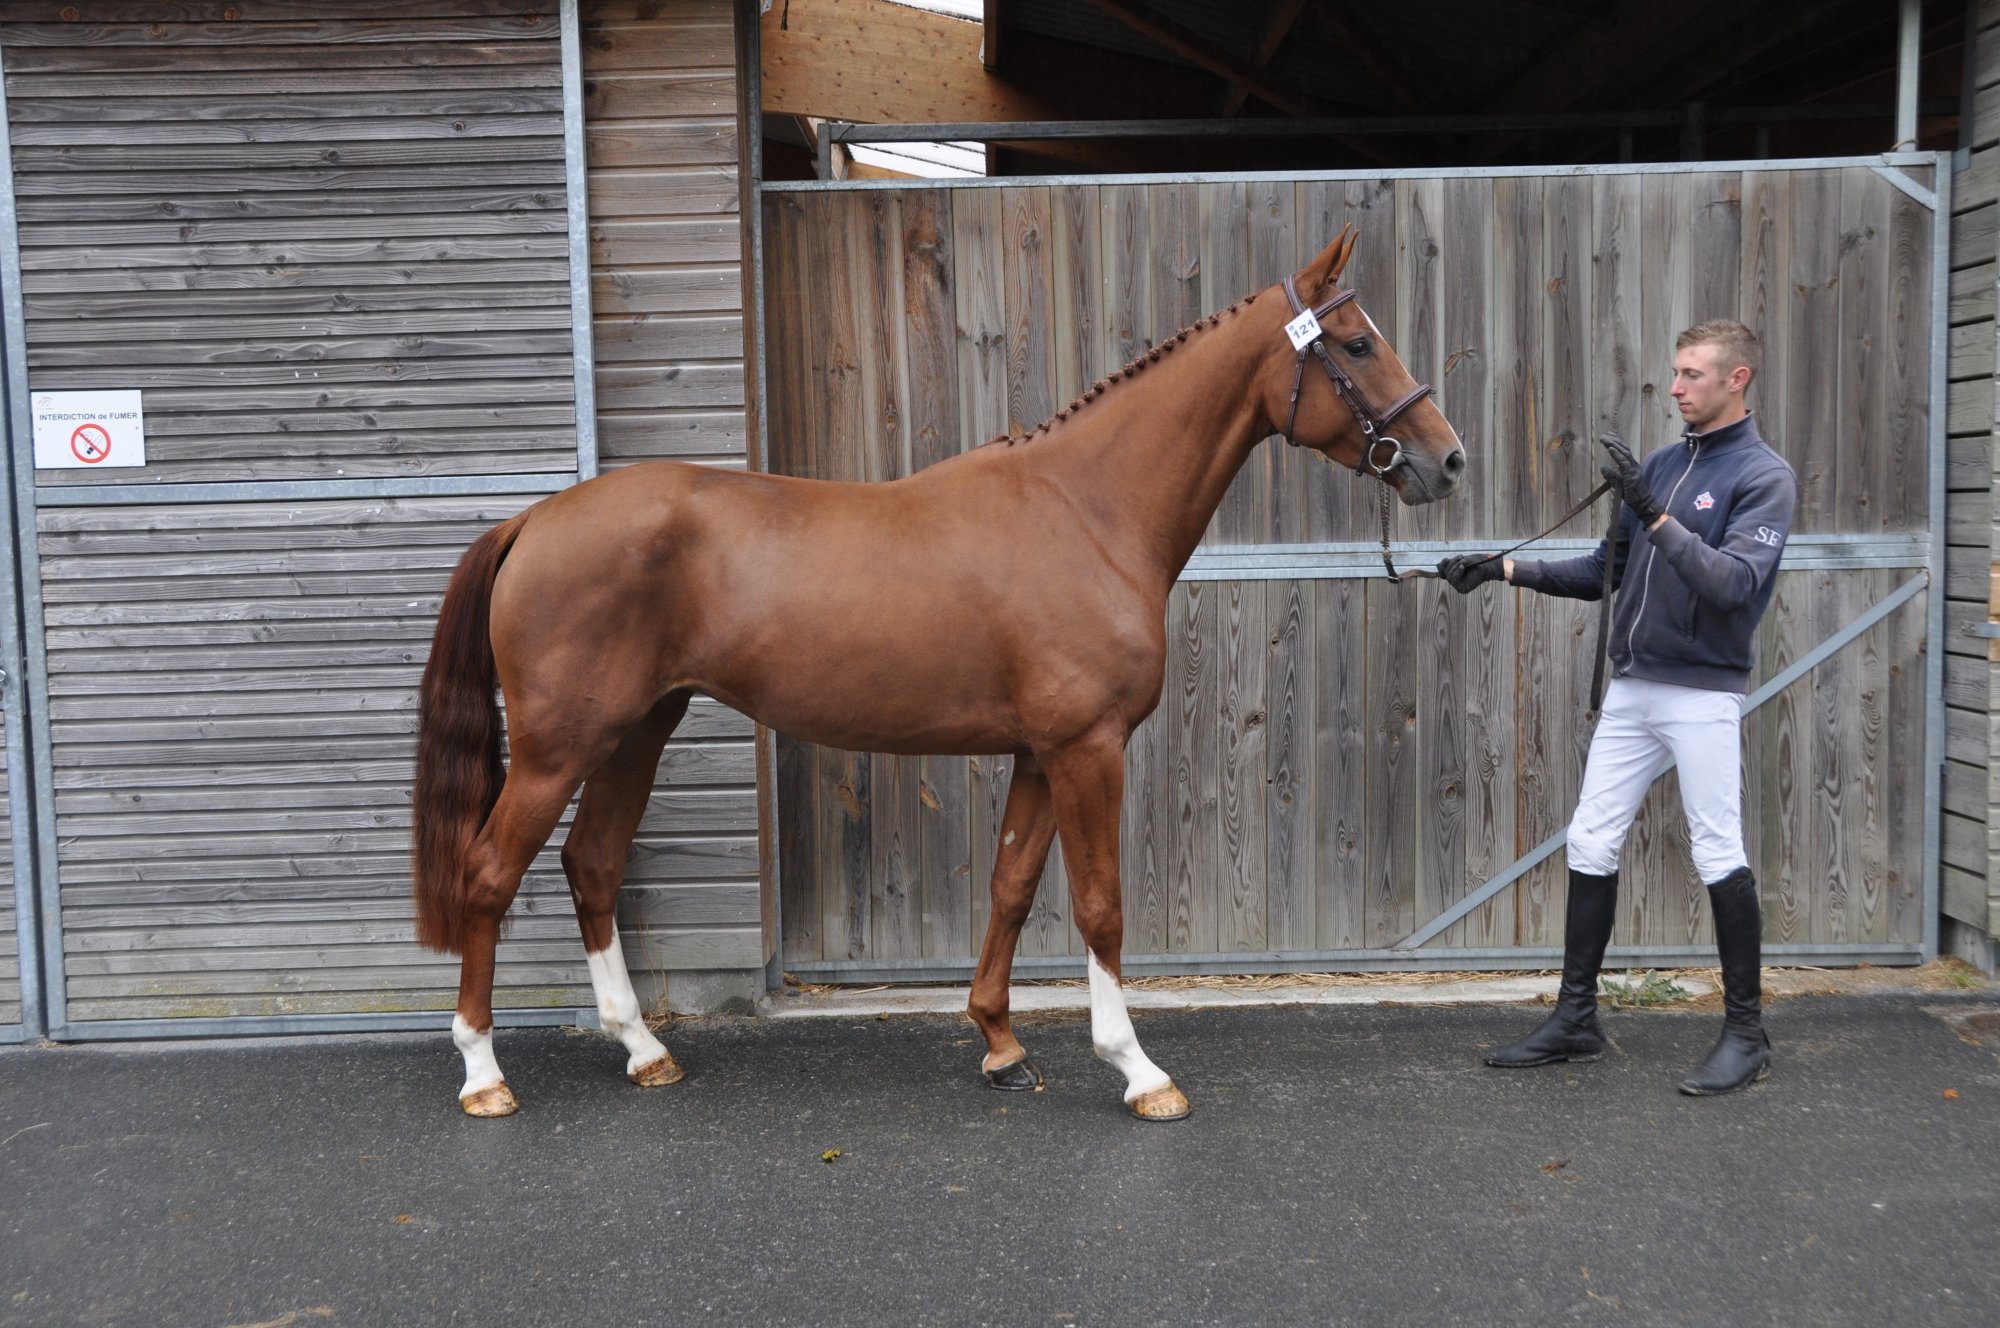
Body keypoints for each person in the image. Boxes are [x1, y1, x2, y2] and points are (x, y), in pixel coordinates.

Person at [1437, 320, 1797, 1096]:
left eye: (1693, 374)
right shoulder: (1663, 465)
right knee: (1591, 838)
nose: (1676, 386)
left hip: (1702, 690)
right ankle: (1576, 1020)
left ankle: (1746, 1035)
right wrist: (1501, 568)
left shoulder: (1763, 476)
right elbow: (1606, 570)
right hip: (1634, 687)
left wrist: (1657, 515)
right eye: (1675, 372)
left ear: (1737, 379)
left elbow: (1732, 584)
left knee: (1717, 849)